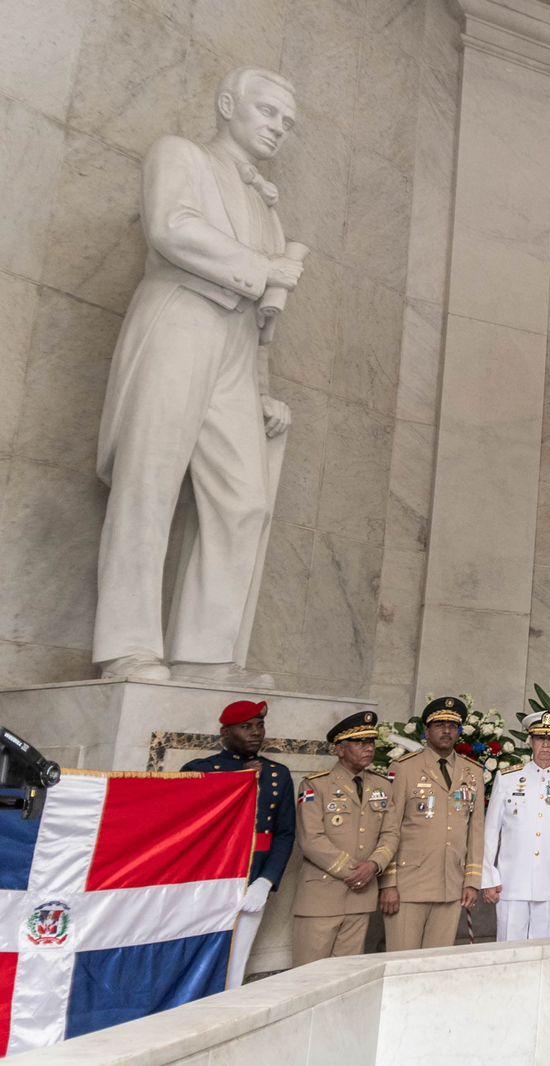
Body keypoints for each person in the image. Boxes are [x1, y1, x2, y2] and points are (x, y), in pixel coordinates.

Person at [93, 67, 305, 686]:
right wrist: (262, 267)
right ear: (227, 105)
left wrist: (263, 389)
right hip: (179, 319)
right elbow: (171, 227)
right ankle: (127, 647)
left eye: (286, 123)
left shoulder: (269, 208)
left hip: (236, 346)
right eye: (268, 113)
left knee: (243, 500)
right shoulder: (180, 154)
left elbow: (264, 317)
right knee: (147, 481)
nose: (277, 129)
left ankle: (204, 655)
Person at [181, 698, 296, 987]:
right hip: (209, 877)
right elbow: (187, 823)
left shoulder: (277, 774)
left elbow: (285, 833)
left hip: (253, 879)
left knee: (237, 961)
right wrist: (241, 779)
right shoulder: (201, 769)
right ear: (225, 734)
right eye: (246, 727)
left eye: (260, 725)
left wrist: (266, 881)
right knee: (198, 957)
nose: (256, 732)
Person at [291, 710, 397, 966]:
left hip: (360, 899)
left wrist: (373, 866)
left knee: (345, 976)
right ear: (339, 749)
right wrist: (352, 872)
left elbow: (391, 833)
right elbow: (310, 839)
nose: (368, 749)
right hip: (321, 897)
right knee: (308, 975)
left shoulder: (382, 786)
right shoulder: (316, 785)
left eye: (370, 742)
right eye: (360, 743)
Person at [380, 696, 485, 951]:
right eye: (439, 725)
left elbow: (476, 830)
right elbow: (390, 827)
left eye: (452, 725)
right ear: (427, 731)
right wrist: (388, 884)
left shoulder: (473, 772)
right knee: (401, 962)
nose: (446, 731)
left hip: (451, 885)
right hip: (409, 886)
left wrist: (472, 880)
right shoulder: (405, 768)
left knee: (436, 965)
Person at [481, 709, 550, 941]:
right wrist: (489, 877)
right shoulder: (507, 778)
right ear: (530, 740)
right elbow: (491, 832)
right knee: (509, 948)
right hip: (511, 882)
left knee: (545, 952)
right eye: (540, 738)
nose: (546, 746)